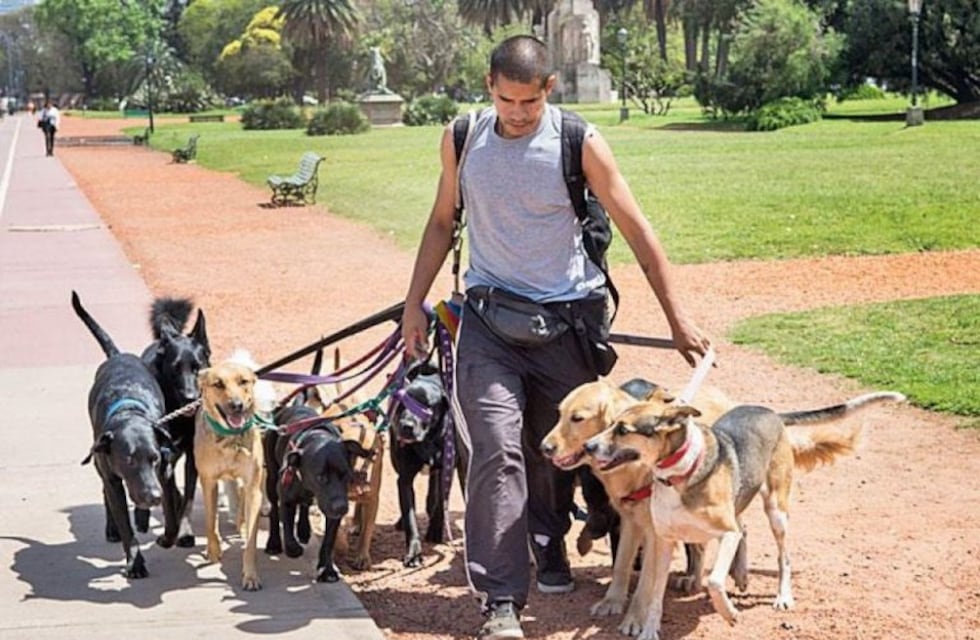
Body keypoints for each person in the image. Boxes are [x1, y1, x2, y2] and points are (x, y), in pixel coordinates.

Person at [400, 35, 711, 640]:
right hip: (489, 320)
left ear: (549, 89)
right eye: (507, 100)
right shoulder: (463, 138)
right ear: (489, 85)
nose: (517, 114)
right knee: (494, 448)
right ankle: (500, 601)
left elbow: (637, 230)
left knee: (561, 452)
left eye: (529, 103)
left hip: (566, 324)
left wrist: (677, 318)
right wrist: (414, 304)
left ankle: (551, 539)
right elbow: (443, 220)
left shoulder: (579, 142)